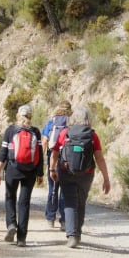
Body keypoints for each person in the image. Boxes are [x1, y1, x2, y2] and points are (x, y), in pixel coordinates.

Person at [49, 105, 111, 248]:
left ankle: (72, 236)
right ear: (88, 119)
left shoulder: (65, 133)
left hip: (66, 171)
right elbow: (99, 158)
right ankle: (77, 232)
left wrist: (52, 169)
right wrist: (106, 178)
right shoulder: (92, 135)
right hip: (86, 174)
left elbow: (55, 154)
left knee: (70, 202)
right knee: (81, 202)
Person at [0, 104, 44, 247]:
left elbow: (3, 153)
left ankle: (11, 225)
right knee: (24, 203)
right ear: (30, 116)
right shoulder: (35, 132)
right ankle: (22, 238)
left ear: (17, 116)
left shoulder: (10, 131)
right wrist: (40, 174)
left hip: (12, 170)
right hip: (30, 172)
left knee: (10, 197)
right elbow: (39, 154)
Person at [41, 101, 72, 229]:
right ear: (70, 110)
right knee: (65, 190)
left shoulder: (51, 122)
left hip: (51, 157)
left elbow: (44, 141)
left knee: (52, 189)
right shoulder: (71, 123)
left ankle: (50, 218)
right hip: (67, 159)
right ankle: (64, 221)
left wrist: (43, 160)